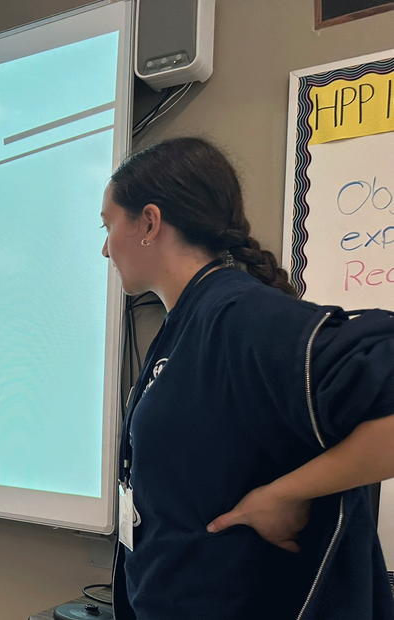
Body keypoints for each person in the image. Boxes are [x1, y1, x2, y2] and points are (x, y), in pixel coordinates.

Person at [100, 137, 394, 620]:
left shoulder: (238, 315)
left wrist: (286, 494)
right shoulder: (186, 321)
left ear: (149, 222)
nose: (104, 248)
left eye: (108, 226)